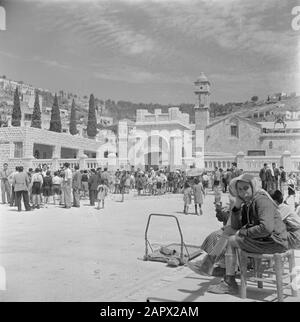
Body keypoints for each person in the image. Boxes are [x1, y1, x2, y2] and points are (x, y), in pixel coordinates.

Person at [207, 174, 288, 294]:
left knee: (232, 240)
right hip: (265, 240)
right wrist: (237, 207)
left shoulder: (261, 201)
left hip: (274, 242)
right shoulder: (249, 203)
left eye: (246, 188)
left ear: (253, 188)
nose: (242, 192)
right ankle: (214, 265)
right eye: (239, 189)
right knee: (229, 232)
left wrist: (243, 232)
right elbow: (235, 226)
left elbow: (266, 228)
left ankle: (229, 281)